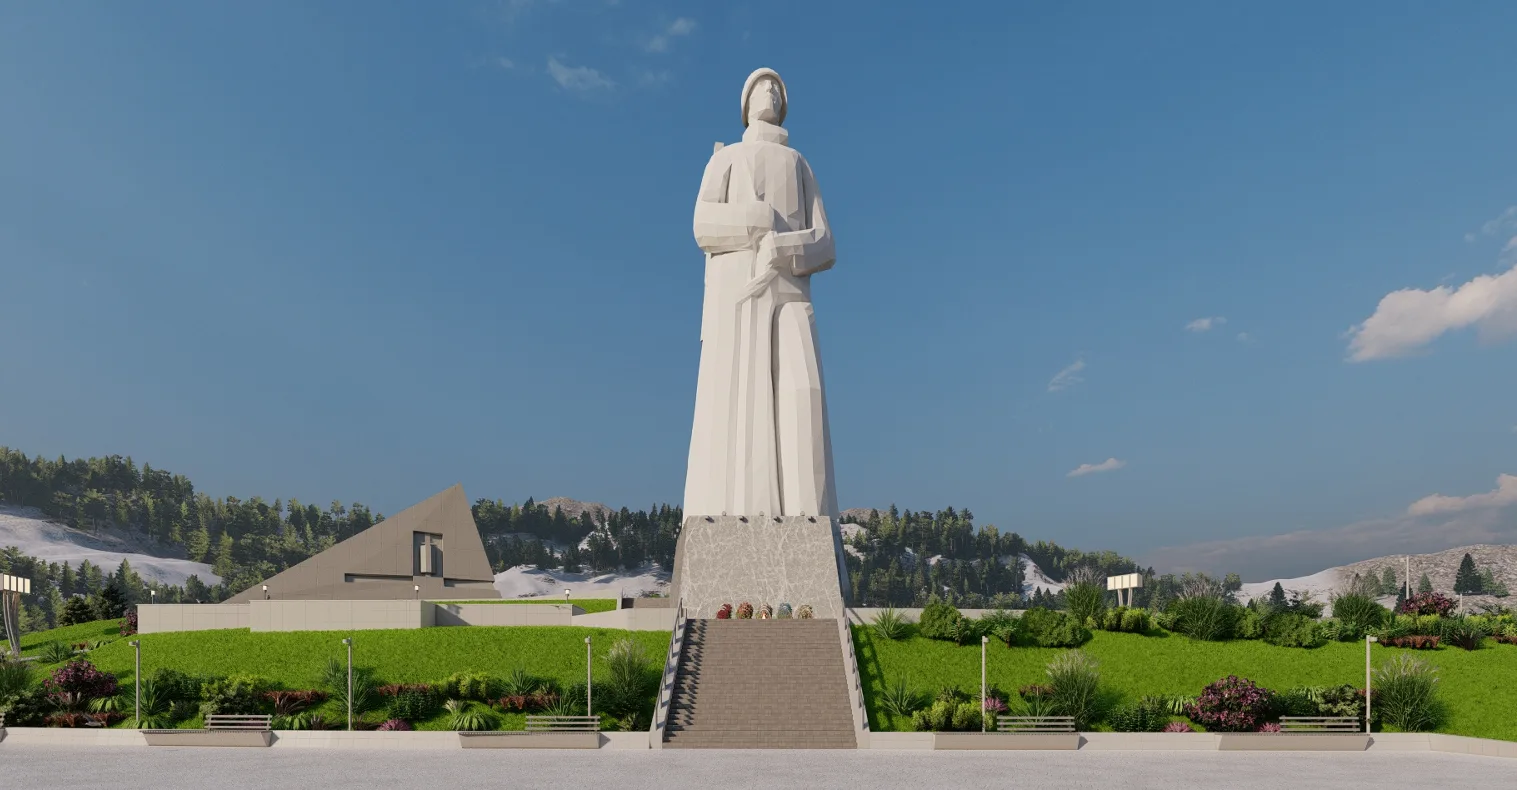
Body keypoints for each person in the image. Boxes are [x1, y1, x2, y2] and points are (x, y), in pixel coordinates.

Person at [684, 68, 839, 520]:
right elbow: (702, 225)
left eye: (776, 87)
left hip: (791, 291)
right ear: (745, 104)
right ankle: (732, 517)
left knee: (803, 392)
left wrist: (784, 247)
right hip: (739, 293)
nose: (769, 91)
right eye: (760, 86)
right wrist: (754, 220)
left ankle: (808, 521)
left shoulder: (799, 163)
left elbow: (826, 243)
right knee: (738, 405)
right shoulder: (727, 159)